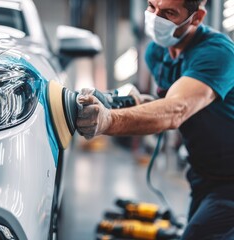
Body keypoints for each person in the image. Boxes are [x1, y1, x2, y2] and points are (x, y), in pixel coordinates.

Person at [76, 0, 234, 239]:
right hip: (204, 174)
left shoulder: (217, 52)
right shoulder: (156, 52)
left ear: (198, 17)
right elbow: (172, 101)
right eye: (152, 6)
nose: (155, 17)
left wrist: (109, 120)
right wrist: (133, 104)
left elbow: (176, 110)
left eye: (169, 13)